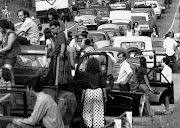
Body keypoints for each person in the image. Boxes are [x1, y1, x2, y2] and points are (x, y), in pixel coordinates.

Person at [81, 57, 107, 128]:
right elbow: (103, 85)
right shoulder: (100, 74)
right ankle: (97, 126)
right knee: (98, 112)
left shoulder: (86, 74)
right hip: (98, 92)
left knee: (87, 111)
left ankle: (88, 125)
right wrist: (105, 95)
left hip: (88, 92)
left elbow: (84, 86)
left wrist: (82, 97)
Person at [0, 19, 21, 86]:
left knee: (6, 74)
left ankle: (9, 90)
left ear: (4, 27)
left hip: (10, 58)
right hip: (5, 57)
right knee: (11, 77)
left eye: (0, 28)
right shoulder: (5, 34)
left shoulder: (11, 34)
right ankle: (12, 89)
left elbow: (9, 47)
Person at [47, 20, 66, 87]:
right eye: (51, 29)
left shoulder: (60, 34)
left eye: (53, 28)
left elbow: (62, 44)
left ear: (58, 27)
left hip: (56, 57)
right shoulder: (57, 35)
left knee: (53, 75)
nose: (52, 30)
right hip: (54, 56)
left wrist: (61, 53)